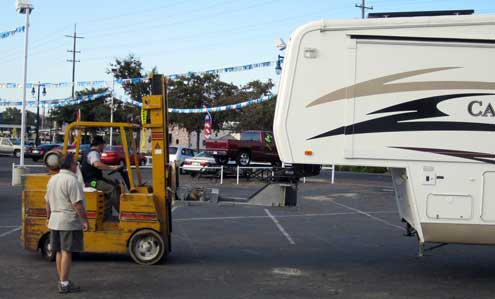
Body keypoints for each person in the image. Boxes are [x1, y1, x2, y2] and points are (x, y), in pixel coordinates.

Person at [45, 153, 89, 293]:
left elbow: (47, 202)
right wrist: (85, 220)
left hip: (55, 221)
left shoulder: (53, 179)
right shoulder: (72, 180)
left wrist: (48, 217)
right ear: (70, 165)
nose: (77, 166)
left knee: (58, 251)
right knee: (66, 252)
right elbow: (77, 204)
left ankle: (62, 280)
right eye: (75, 163)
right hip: (67, 221)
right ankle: (64, 283)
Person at [80, 136, 121, 218]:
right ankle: (121, 212)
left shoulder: (89, 152)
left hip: (95, 179)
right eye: (103, 145)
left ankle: (106, 211)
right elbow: (97, 165)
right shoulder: (93, 153)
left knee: (115, 185)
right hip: (92, 182)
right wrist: (112, 167)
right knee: (112, 189)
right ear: (99, 144)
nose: (104, 147)